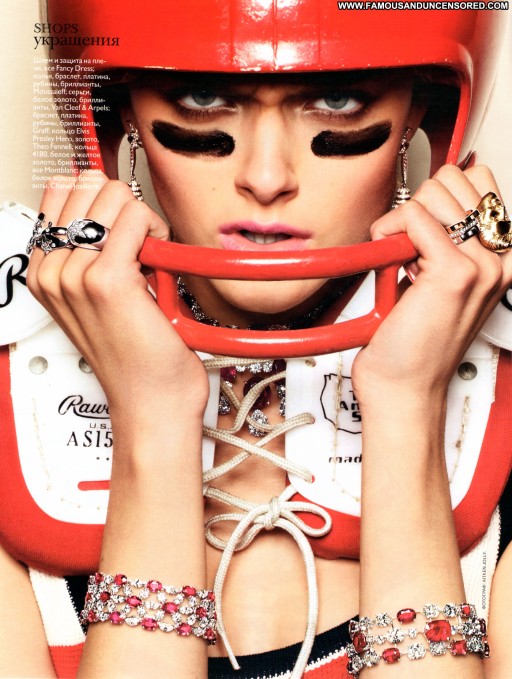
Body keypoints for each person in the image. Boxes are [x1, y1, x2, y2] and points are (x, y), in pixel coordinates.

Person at [0, 1, 511, 678]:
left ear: (421, 109)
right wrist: (152, 418)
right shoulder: (13, 422)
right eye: (203, 96)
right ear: (121, 109)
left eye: (337, 99)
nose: (267, 179)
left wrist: (407, 404)